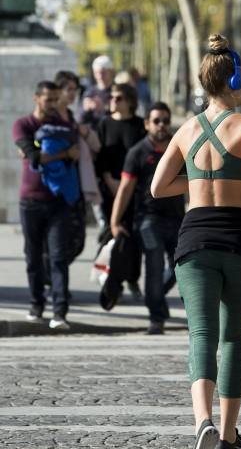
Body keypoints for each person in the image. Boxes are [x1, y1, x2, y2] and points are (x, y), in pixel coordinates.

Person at [150, 35, 241, 449]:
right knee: (231, 336)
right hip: (238, 239)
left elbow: (157, 187)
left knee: (200, 335)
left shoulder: (185, 130)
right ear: (236, 79)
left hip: (193, 241)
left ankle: (201, 422)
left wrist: (200, 180)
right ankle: (227, 439)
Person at [110, 102, 185, 334]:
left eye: (165, 120)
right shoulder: (137, 152)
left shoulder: (181, 146)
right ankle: (156, 317)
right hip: (148, 220)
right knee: (154, 267)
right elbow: (125, 189)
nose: (161, 125)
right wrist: (114, 221)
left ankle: (155, 296)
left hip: (179, 219)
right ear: (146, 124)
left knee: (180, 268)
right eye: (156, 121)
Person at [12, 81, 80, 330]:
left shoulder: (64, 125)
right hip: (30, 201)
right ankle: (36, 306)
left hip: (58, 201)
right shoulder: (24, 124)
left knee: (58, 257)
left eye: (56, 99)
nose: (53, 104)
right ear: (36, 99)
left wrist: (51, 154)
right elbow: (34, 156)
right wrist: (62, 153)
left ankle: (60, 312)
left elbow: (75, 157)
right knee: (33, 257)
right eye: (48, 99)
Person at [97, 83, 146, 300]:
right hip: (109, 192)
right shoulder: (104, 124)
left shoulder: (139, 126)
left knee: (134, 239)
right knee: (111, 237)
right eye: (112, 97)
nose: (113, 101)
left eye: (118, 98)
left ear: (130, 102)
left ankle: (133, 279)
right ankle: (111, 283)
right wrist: (108, 179)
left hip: (134, 193)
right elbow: (99, 156)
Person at [53, 70, 102, 265]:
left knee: (76, 240)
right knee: (57, 240)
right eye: (69, 89)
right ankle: (55, 284)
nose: (73, 94)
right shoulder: (51, 117)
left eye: (76, 90)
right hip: (54, 186)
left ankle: (55, 277)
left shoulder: (72, 118)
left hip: (75, 185)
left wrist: (85, 133)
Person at [77, 55, 114, 130]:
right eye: (97, 73)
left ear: (111, 72)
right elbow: (79, 120)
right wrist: (85, 109)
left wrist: (105, 108)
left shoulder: (118, 91)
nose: (100, 76)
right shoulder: (89, 92)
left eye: (103, 73)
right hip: (95, 135)